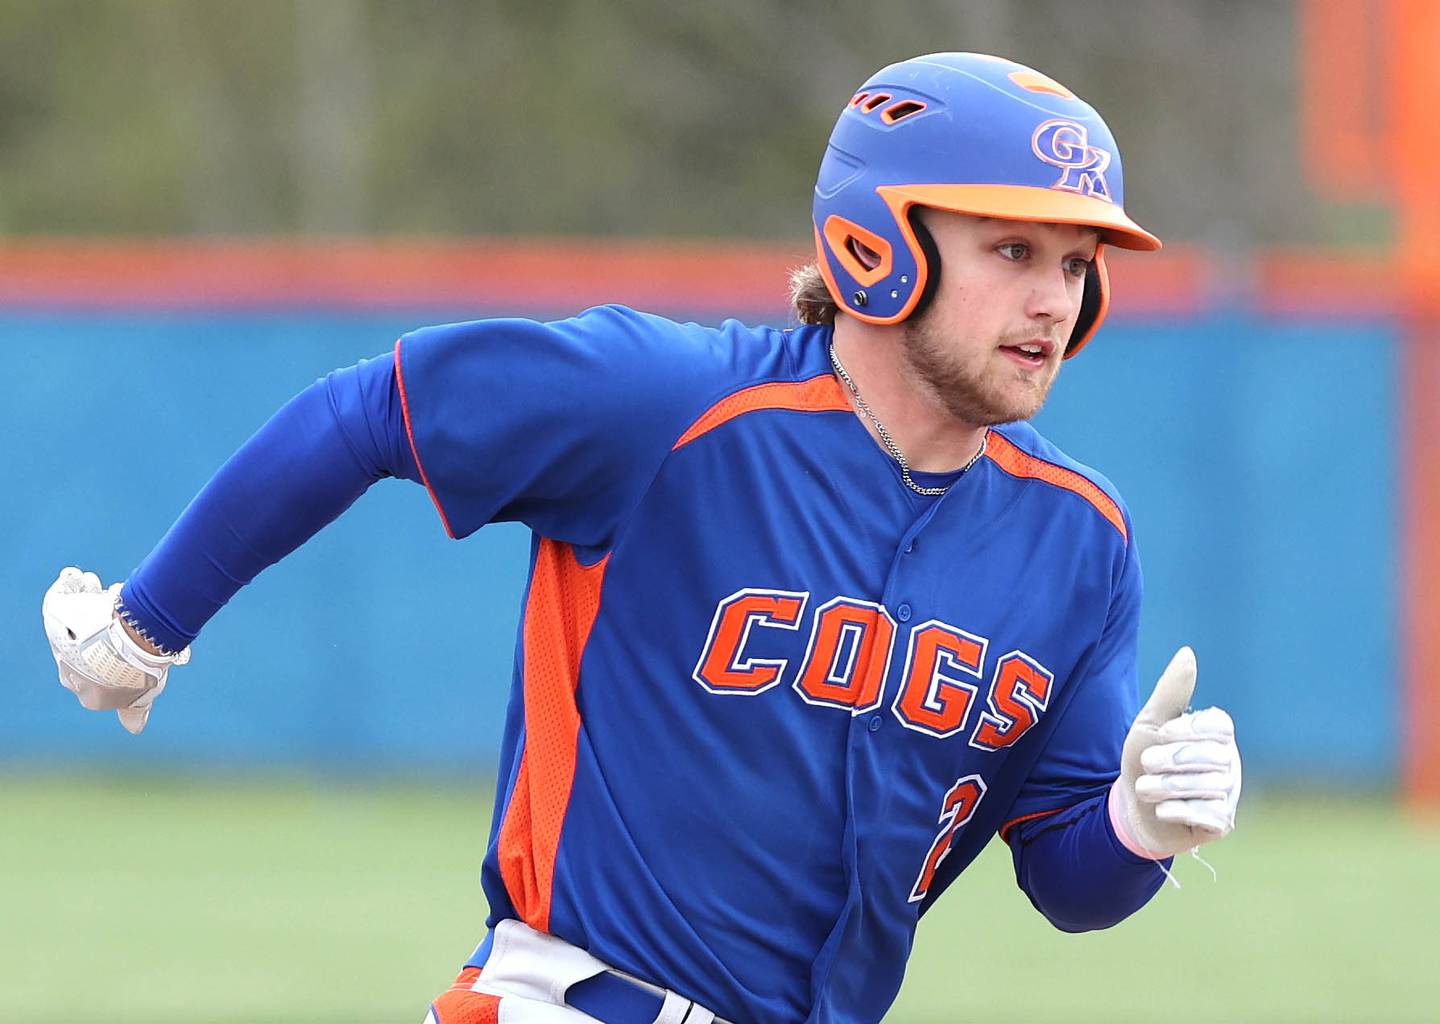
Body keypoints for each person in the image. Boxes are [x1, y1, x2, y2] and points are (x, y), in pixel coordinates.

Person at [42, 52, 1242, 1024]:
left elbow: (1070, 882)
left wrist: (1141, 825)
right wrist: (146, 625)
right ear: (880, 243)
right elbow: (371, 411)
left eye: (1079, 265)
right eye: (1015, 249)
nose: (1056, 298)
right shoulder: (666, 404)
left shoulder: (1080, 542)